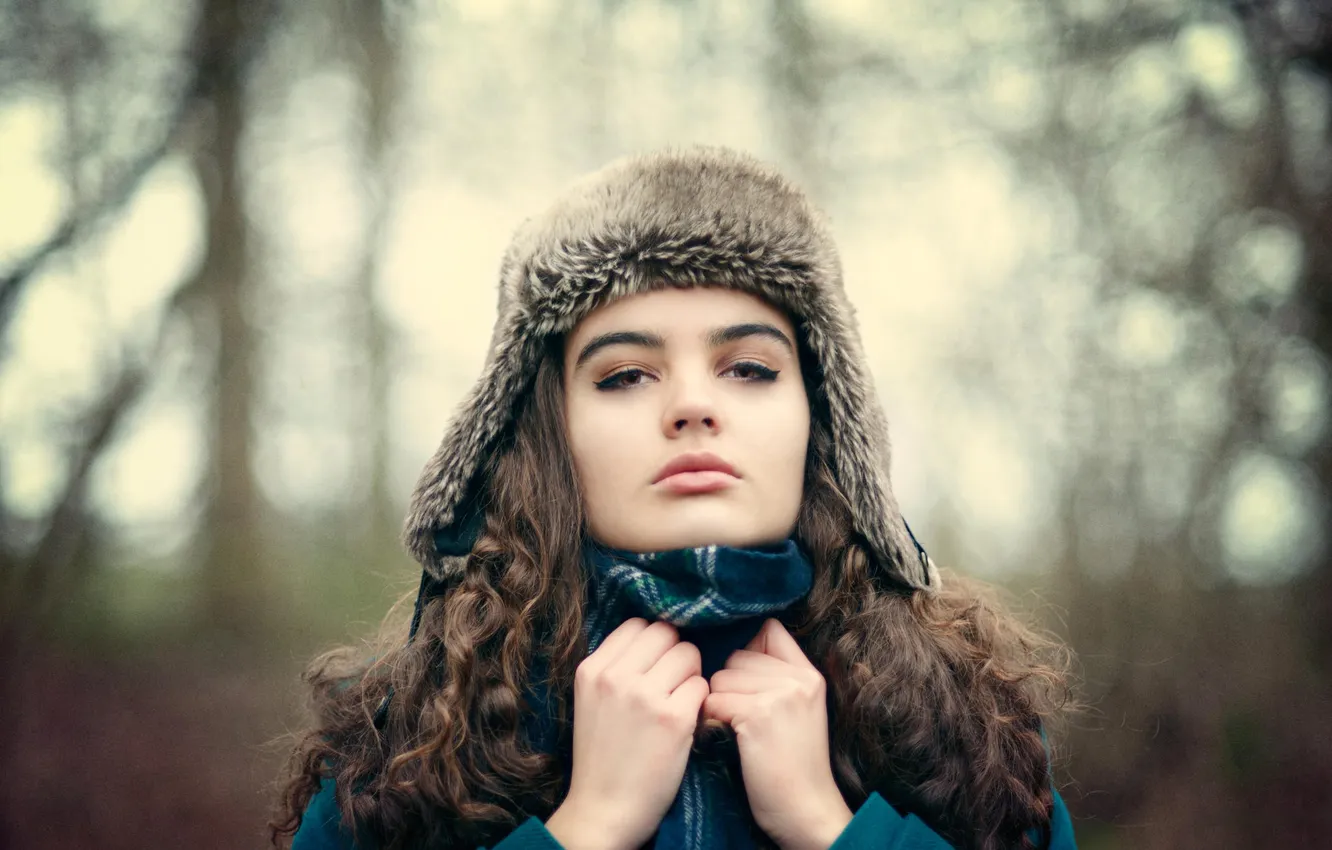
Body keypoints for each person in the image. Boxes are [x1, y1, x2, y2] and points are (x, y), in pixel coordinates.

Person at [271, 147, 1077, 850]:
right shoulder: (403, 736)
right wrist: (586, 828)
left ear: (822, 424)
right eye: (625, 375)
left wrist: (831, 828)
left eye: (749, 368)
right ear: (550, 435)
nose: (693, 405)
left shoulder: (968, 727)